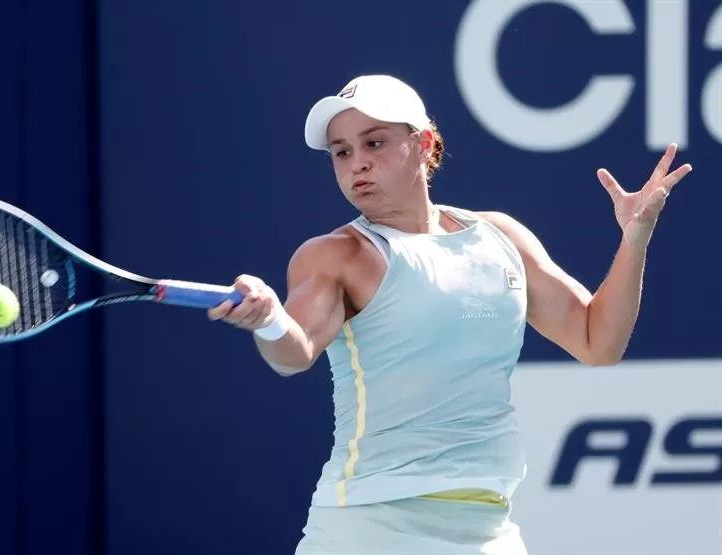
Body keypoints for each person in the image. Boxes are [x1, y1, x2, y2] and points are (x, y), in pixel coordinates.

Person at [207, 74, 693, 554]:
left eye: (374, 143)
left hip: (487, 527)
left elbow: (598, 342)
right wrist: (269, 319)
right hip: (368, 528)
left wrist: (634, 239)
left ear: (424, 144)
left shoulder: (501, 236)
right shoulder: (334, 255)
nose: (357, 164)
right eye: (342, 152)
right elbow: (294, 353)